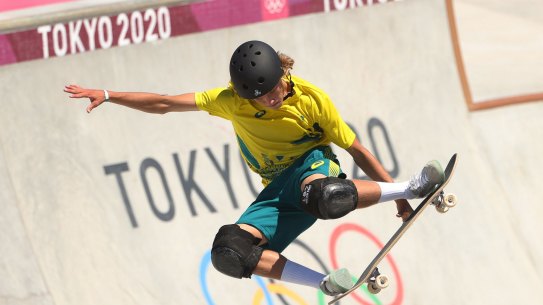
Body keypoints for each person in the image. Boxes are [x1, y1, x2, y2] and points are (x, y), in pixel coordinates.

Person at [64, 40, 444, 296]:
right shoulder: (230, 101)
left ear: (283, 73)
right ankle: (326, 284)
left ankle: (415, 184)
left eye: (275, 89)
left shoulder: (312, 101)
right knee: (229, 251)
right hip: (274, 190)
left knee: (323, 195)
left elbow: (357, 149)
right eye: (261, 97)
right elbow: (164, 103)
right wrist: (110, 95)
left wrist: (400, 196)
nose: (272, 99)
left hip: (311, 166)